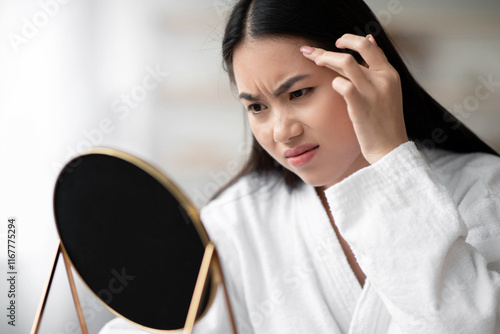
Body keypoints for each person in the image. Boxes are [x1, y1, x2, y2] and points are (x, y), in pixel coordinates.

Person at [101, 0, 500, 333]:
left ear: (364, 72)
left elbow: (463, 324)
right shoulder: (238, 219)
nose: (282, 131)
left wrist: (389, 158)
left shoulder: (483, 188)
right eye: (257, 107)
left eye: (299, 92)